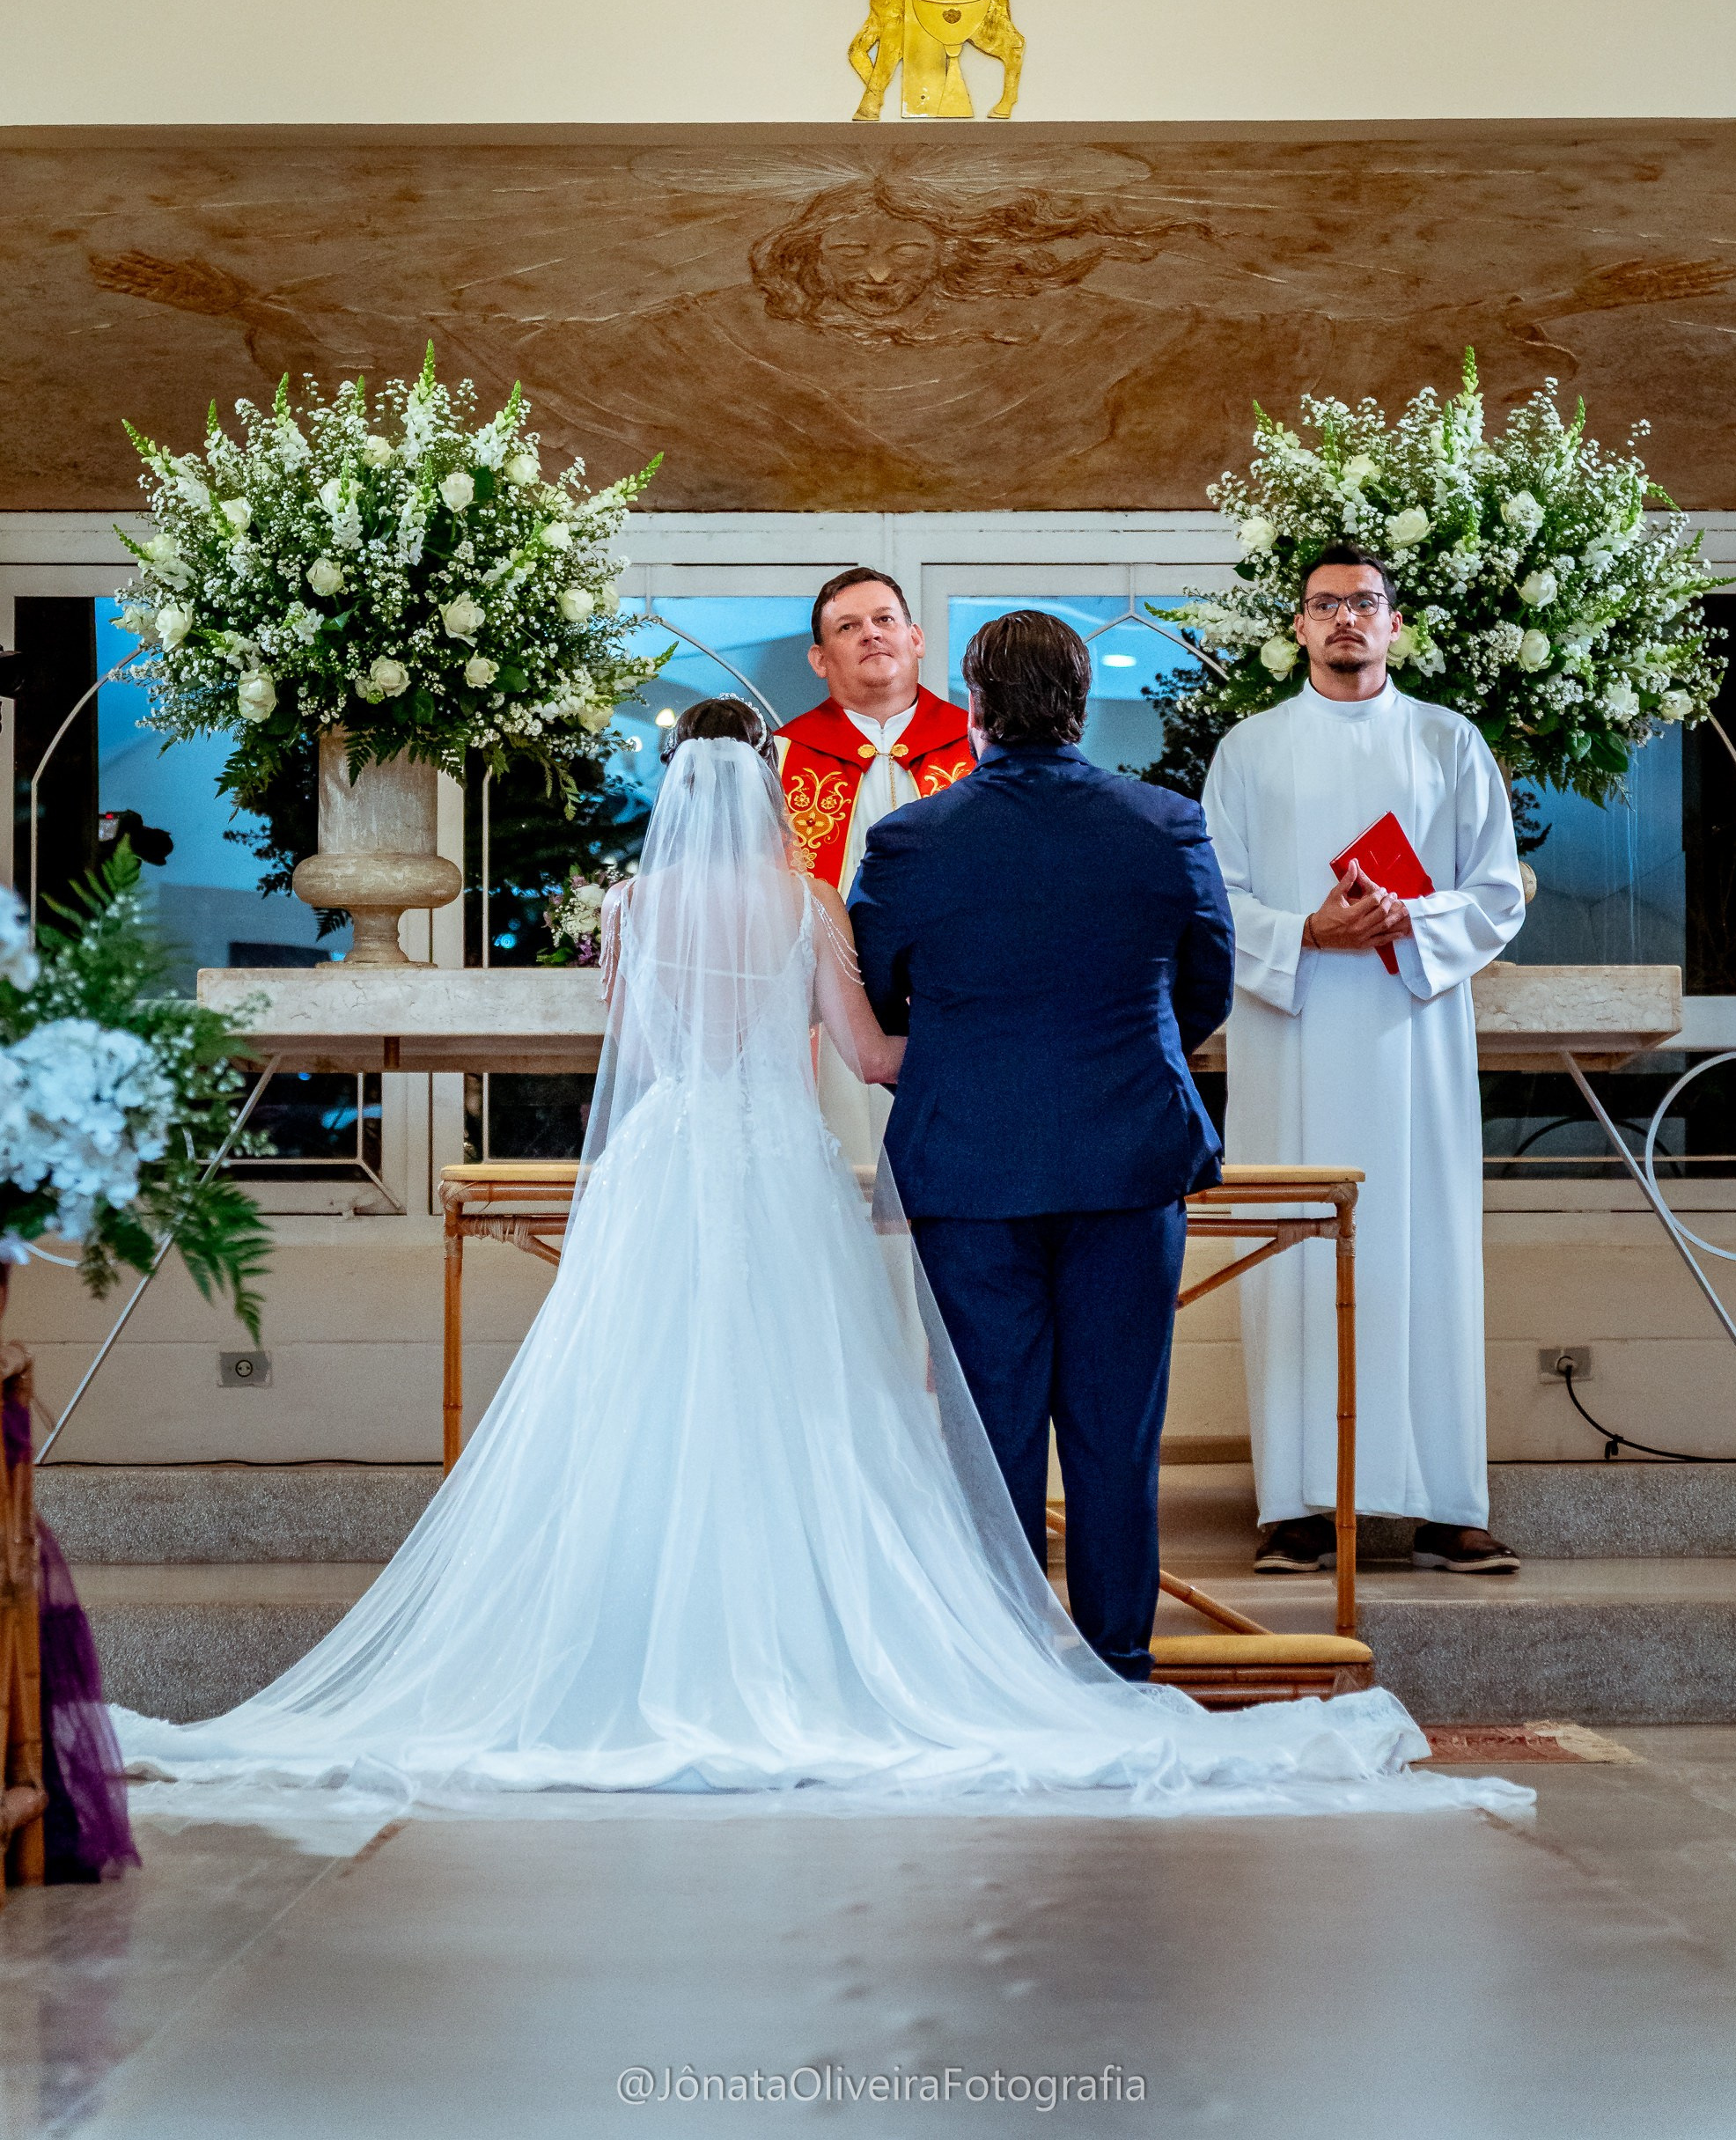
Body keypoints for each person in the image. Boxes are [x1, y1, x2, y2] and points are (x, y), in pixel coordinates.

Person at [107, 696, 1516, 1820]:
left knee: (642, 1413)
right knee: (825, 1417)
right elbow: (870, 1053)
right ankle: (970, 1651)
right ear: (770, 780)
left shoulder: (630, 912)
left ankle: (637, 1645)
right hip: (782, 1168)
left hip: (665, 1168)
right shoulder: (804, 904)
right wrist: (975, 1044)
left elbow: (637, 1049)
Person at [848, 613, 1234, 1684]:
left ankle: (1002, 1670)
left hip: (970, 1160)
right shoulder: (1162, 822)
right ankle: (1117, 1662)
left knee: (991, 1429)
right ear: (1080, 702)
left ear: (972, 703)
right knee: (1117, 1431)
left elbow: (880, 997)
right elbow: (1205, 979)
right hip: (1127, 1155)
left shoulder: (911, 841)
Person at [1201, 543, 1526, 1577]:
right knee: (1291, 1252)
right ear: (1296, 628)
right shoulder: (1246, 751)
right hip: (1290, 1035)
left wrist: (1400, 915)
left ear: (1394, 626)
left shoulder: (1447, 740)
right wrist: (1305, 932)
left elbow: (1496, 892)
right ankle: (1295, 1507)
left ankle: (1446, 1503)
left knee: (1421, 1244)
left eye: (1365, 604)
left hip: (1410, 1037)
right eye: (1324, 605)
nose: (1345, 619)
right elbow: (1214, 901)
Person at [775, 570, 975, 1164]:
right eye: (848, 626)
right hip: (830, 1021)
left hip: (955, 1002)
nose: (871, 634)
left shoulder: (979, 746)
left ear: (915, 637)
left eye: (884, 619)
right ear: (819, 657)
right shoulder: (782, 758)